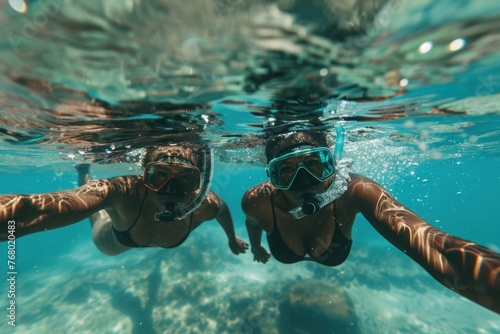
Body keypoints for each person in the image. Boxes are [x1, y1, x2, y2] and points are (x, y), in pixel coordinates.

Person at [242, 125, 500, 314]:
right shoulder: (257, 200)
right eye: (286, 170)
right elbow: (253, 223)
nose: (304, 180)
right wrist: (255, 246)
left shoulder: (356, 191)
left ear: (332, 163)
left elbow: (435, 247)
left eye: (314, 164)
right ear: (271, 176)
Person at [1, 141, 248, 256]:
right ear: (143, 175)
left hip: (129, 233)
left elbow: (222, 209)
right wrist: (15, 220)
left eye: (185, 179)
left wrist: (231, 238)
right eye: (159, 175)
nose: (169, 189)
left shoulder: (204, 203)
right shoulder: (125, 190)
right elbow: (70, 202)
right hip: (115, 242)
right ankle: (83, 172)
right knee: (96, 212)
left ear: (199, 182)